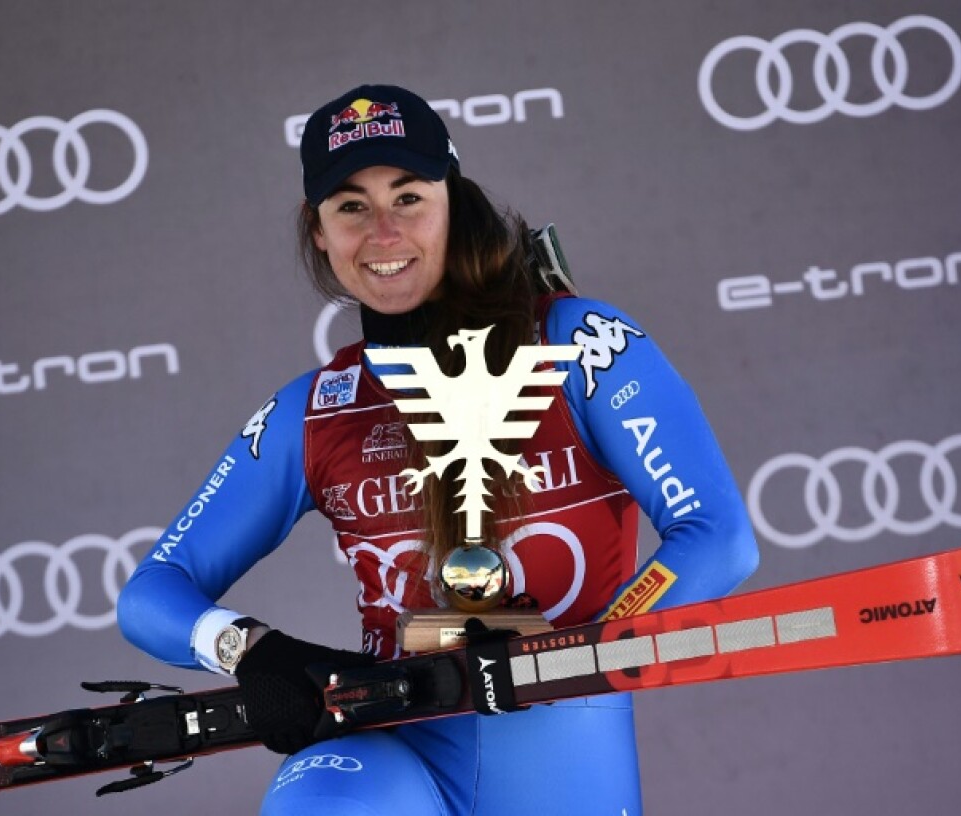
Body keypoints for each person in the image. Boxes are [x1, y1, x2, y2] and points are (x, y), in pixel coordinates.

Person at [118, 84, 758, 815]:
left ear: (454, 200)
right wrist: (248, 647)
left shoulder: (576, 343)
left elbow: (718, 540)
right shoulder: (318, 407)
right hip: (393, 739)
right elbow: (152, 592)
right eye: (351, 206)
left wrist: (575, 654)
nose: (383, 233)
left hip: (563, 743)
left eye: (409, 197)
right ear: (319, 230)